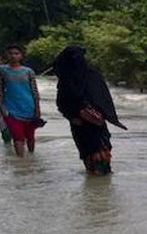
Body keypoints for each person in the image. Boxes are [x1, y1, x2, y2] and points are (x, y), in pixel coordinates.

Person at [52, 45, 127, 175]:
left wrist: (78, 115)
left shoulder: (86, 77)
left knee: (98, 151)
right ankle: (99, 184)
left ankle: (99, 182)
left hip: (92, 122)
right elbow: (63, 103)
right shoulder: (70, 79)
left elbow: (103, 97)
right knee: (92, 152)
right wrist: (74, 115)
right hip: (84, 123)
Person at [0, 44, 43, 157]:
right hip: (11, 109)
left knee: (30, 137)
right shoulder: (2, 70)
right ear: (6, 55)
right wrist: (2, 108)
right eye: (10, 53)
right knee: (18, 137)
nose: (13, 56)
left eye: (16, 53)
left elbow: (35, 91)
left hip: (29, 108)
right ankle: (21, 164)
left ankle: (31, 158)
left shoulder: (28, 71)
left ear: (21, 56)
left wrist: (37, 108)